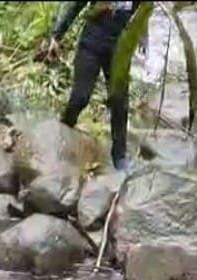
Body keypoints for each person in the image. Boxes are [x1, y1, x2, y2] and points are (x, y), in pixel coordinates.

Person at [46, 1, 148, 171]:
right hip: (90, 46)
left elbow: (142, 12)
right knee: (81, 97)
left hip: (119, 50)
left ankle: (119, 156)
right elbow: (75, 6)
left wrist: (143, 38)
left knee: (119, 101)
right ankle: (64, 129)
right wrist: (56, 35)